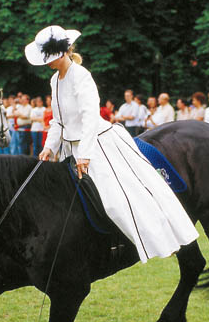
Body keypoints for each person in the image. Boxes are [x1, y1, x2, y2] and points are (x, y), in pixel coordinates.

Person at [27, 25, 198, 262]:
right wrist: (49, 146)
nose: (47, 63)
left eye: (50, 58)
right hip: (70, 148)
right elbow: (58, 120)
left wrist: (85, 154)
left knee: (114, 201)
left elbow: (89, 116)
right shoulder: (55, 80)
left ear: (64, 53)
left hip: (96, 144)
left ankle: (123, 245)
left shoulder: (81, 76)